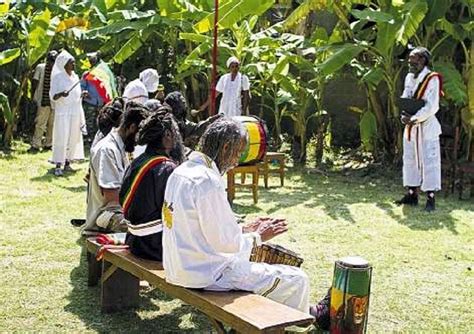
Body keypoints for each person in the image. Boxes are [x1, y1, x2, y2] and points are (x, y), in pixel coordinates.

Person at [162, 119, 330, 328]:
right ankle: (307, 318)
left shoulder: (181, 172)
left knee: (259, 267)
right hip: (206, 275)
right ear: (225, 147)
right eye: (237, 153)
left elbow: (197, 227)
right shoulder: (207, 181)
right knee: (297, 278)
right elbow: (226, 244)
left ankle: (304, 313)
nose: (236, 162)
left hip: (179, 267)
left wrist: (244, 229)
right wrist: (259, 236)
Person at [119, 112, 185, 261]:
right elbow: (174, 211)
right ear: (167, 134)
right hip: (153, 245)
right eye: (175, 132)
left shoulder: (138, 161)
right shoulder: (166, 168)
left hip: (133, 240)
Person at [82, 102, 148, 235]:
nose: (139, 141)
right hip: (106, 217)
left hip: (121, 211)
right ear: (132, 127)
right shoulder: (107, 150)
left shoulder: (122, 146)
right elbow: (112, 201)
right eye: (139, 135)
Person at [396, 47, 443, 212]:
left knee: (428, 161)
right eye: (409, 59)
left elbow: (432, 106)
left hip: (426, 126)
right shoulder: (409, 77)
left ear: (423, 60)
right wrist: (404, 115)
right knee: (410, 159)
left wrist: (415, 118)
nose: (410, 62)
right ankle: (411, 194)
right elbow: (406, 97)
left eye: (413, 59)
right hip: (411, 127)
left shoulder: (432, 79)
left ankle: (430, 198)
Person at [49, 50, 86, 176]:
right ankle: (58, 164)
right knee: (62, 137)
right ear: (64, 64)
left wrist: (82, 95)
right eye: (72, 63)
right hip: (63, 112)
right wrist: (61, 94)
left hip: (74, 111)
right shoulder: (57, 78)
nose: (74, 65)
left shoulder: (75, 77)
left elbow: (76, 94)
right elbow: (53, 96)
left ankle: (67, 162)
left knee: (73, 137)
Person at [29, 50, 58, 153]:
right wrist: (33, 97)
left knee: (52, 124)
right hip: (43, 100)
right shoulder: (40, 67)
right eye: (50, 60)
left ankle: (48, 143)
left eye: (53, 61)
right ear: (47, 59)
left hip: (54, 101)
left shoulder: (58, 70)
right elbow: (35, 82)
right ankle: (36, 144)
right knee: (40, 123)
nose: (52, 63)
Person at [81, 51, 104, 143]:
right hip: (90, 101)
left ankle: (97, 139)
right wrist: (84, 92)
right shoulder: (86, 74)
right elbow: (81, 87)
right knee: (89, 122)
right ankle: (89, 140)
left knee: (99, 121)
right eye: (92, 62)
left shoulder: (102, 74)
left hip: (100, 102)